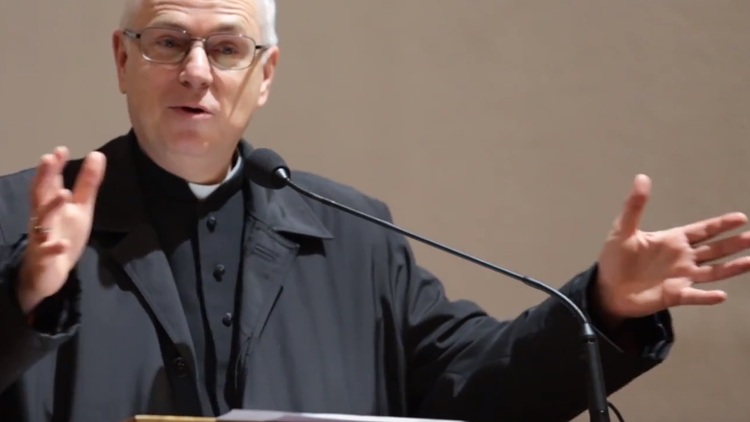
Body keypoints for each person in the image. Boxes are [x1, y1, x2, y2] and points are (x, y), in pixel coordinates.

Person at [1, 1, 749, 421]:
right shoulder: (16, 218)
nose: (196, 71)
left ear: (266, 73)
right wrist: (27, 295)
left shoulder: (353, 237)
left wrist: (605, 305)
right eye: (168, 42)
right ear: (122, 59)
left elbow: (476, 385)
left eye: (227, 48)